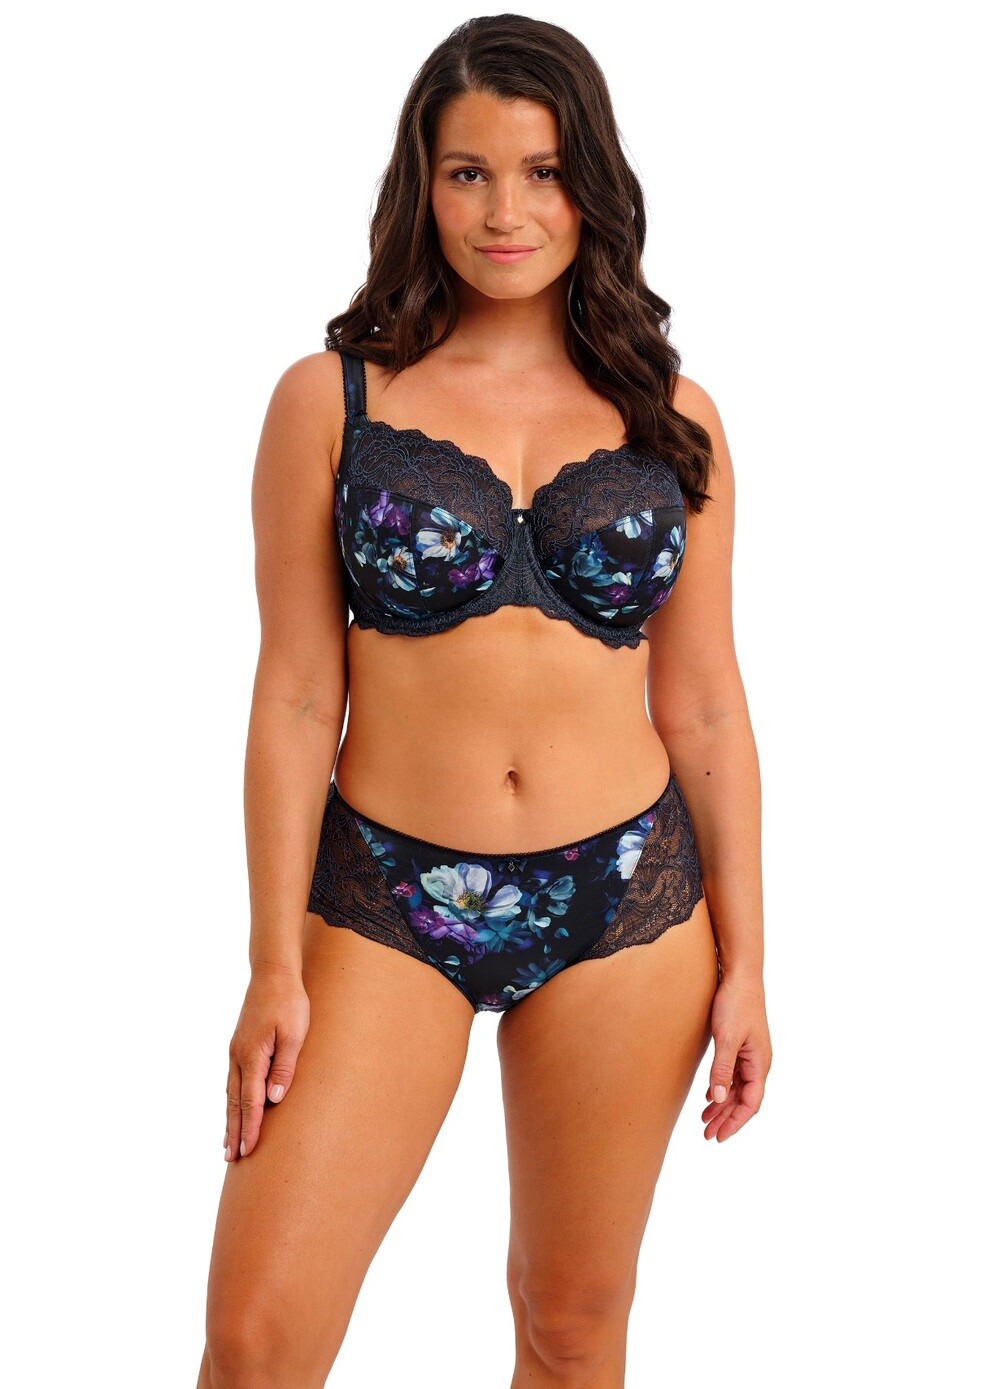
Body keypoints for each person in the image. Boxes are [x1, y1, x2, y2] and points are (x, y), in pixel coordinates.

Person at [197, 14, 772, 1387]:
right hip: (386, 893)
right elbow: (295, 696)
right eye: (469, 173)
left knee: (570, 1331)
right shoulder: (329, 400)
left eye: (543, 171)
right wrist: (272, 960)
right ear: (423, 184)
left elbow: (704, 702)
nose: (506, 212)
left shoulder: (674, 417)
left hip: (626, 898)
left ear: (593, 186)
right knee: (256, 1339)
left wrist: (750, 960)